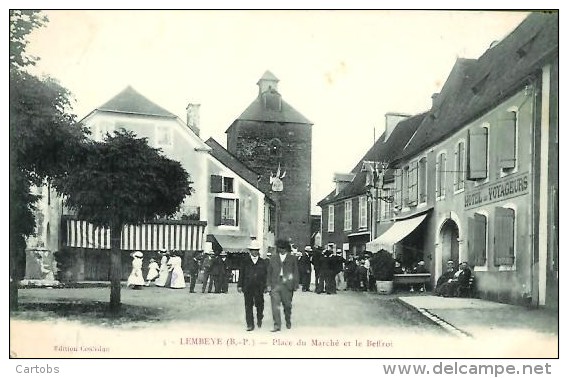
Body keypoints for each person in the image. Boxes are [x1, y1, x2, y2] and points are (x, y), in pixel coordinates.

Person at [266, 238, 299, 332]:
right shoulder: (273, 258)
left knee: (287, 306)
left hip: (287, 285)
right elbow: (269, 272)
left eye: (283, 248)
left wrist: (295, 284)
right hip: (275, 284)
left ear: (286, 248)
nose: (281, 250)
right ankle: (277, 325)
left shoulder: (292, 258)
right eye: (280, 248)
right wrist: (268, 285)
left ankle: (288, 320)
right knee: (275, 306)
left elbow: (295, 272)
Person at [237, 239, 268, 331]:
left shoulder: (263, 262)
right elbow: (241, 274)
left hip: (259, 287)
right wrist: (239, 285)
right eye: (253, 250)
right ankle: (250, 324)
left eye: (256, 250)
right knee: (248, 306)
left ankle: (259, 318)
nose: (255, 252)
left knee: (260, 305)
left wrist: (266, 286)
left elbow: (266, 275)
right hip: (248, 287)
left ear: (258, 251)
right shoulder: (245, 262)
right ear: (250, 251)